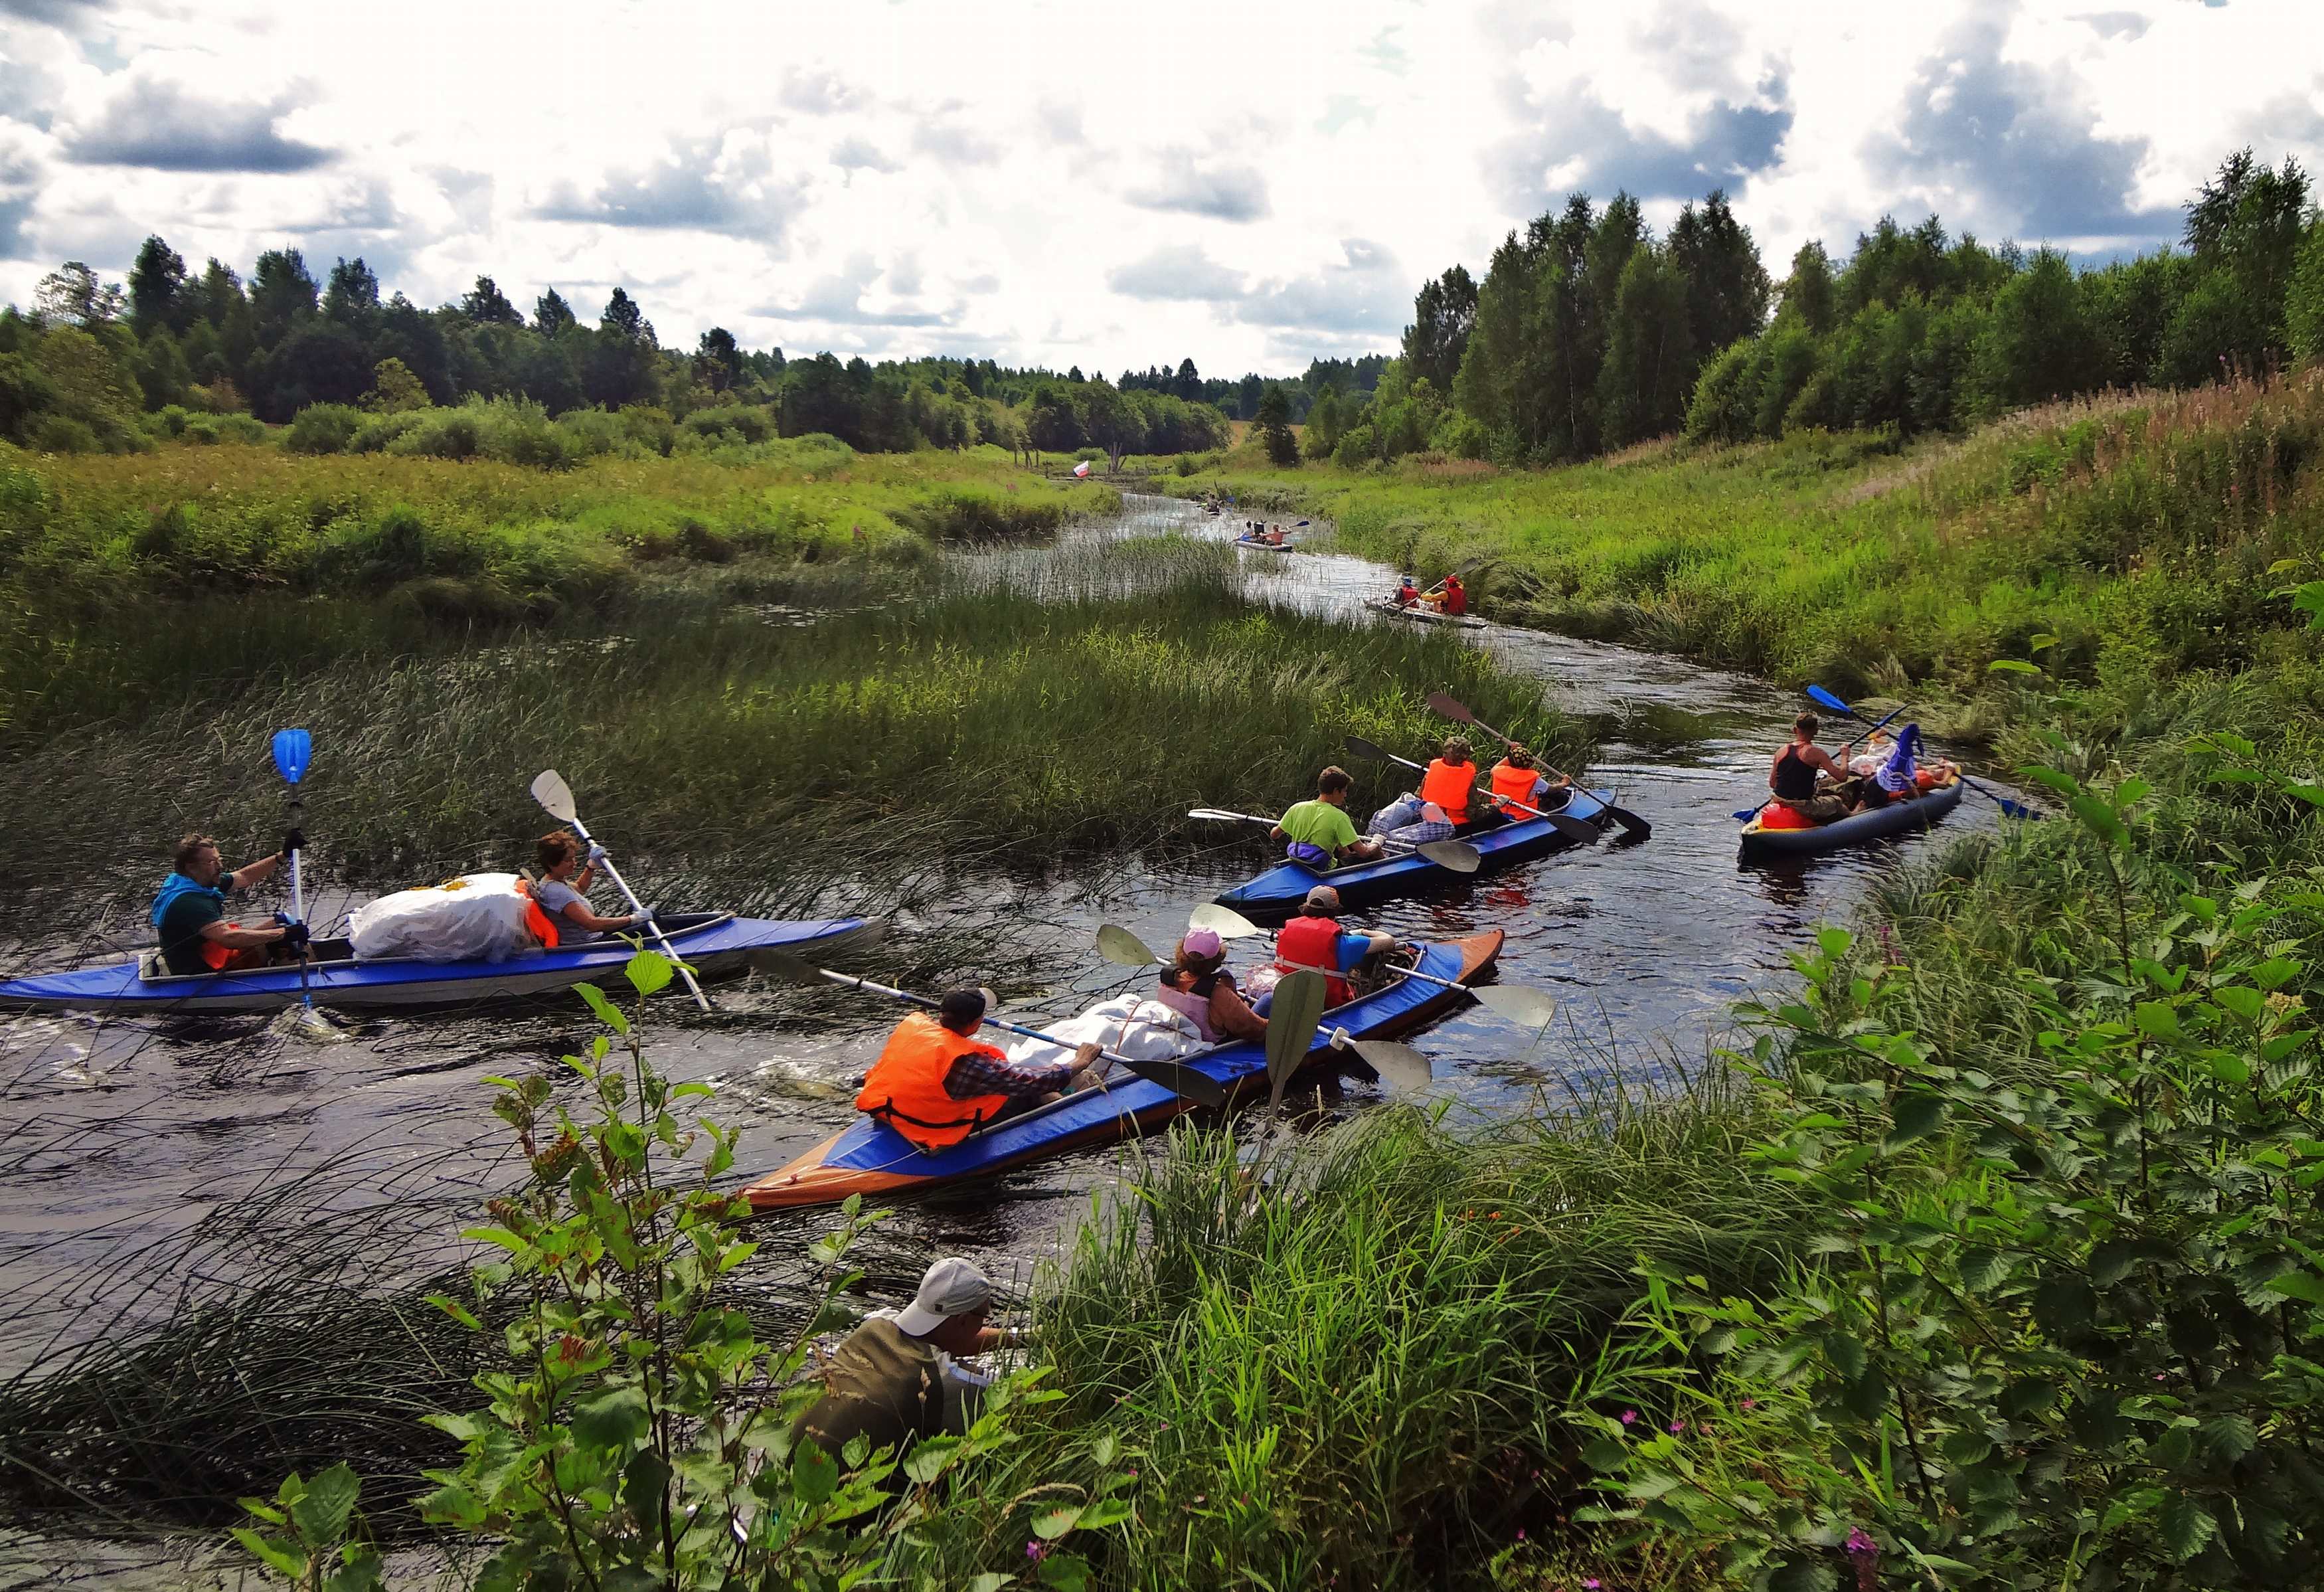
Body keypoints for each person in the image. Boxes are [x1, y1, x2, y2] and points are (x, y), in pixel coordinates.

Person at [793, 1257, 1009, 1473]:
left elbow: (950, 1340)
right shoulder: (948, 1382)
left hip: (794, 1468)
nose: (985, 1321)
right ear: (963, 1320)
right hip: (838, 1488)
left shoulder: (876, 1323)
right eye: (984, 1315)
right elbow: (1004, 1392)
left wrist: (1018, 1338)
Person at [855, 987, 1104, 1151]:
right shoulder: (968, 1064)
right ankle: (1068, 1108)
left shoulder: (914, 1031)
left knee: (1014, 1080)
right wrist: (1079, 1062)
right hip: (932, 1128)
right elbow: (1031, 1080)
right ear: (976, 1024)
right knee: (1033, 1091)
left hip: (894, 1112)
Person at [150, 832, 299, 976]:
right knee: (282, 940)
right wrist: (283, 933)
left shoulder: (196, 881)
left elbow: (244, 876)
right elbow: (228, 939)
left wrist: (282, 855)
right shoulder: (190, 901)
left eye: (219, 859)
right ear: (191, 867)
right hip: (201, 971)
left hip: (212, 951)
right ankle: (297, 978)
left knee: (280, 921)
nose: (219, 866)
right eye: (212, 862)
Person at [524, 830, 653, 946]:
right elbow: (592, 924)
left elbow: (580, 888)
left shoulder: (554, 882)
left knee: (659, 919)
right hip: (587, 943)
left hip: (594, 936)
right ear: (551, 863)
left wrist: (591, 867)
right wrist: (633, 919)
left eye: (574, 858)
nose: (574, 863)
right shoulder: (556, 891)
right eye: (568, 860)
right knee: (652, 922)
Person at [1274, 885, 1398, 1006]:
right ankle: (1378, 994)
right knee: (1374, 955)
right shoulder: (1345, 943)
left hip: (1289, 994)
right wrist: (1363, 931)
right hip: (1327, 1001)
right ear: (1335, 911)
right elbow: (1388, 941)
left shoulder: (1286, 932)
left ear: (1306, 907)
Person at [1151, 928, 1266, 1043]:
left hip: (1181, 1037)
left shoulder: (1169, 977)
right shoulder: (1219, 994)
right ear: (1218, 957)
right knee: (1268, 999)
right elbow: (1258, 1030)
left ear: (1182, 953)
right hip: (1213, 1045)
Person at [1365, 737, 1479, 847]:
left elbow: (1419, 795)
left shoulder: (1433, 770)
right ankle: (1382, 844)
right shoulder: (1467, 778)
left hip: (1428, 819)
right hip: (1448, 825)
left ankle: (1375, 842)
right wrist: (1489, 811)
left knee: (1400, 812)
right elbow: (1472, 812)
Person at [1272, 765, 1384, 866]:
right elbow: (1364, 852)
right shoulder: (1340, 817)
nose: (1345, 795)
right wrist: (1377, 842)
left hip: (1297, 862)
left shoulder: (1297, 807)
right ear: (1336, 791)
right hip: (1322, 868)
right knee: (1375, 852)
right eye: (1344, 791)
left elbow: (1274, 834)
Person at [1768, 713, 1855, 824]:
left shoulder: (1781, 751)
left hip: (1777, 800)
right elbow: (1842, 776)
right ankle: (1853, 816)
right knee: (1837, 801)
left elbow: (1772, 783)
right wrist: (1845, 756)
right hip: (1803, 806)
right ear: (1816, 731)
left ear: (1795, 730)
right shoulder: (1816, 753)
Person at [1485, 745, 1570, 821]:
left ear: (1510, 761)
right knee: (1559, 795)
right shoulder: (1534, 780)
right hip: (1522, 818)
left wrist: (1512, 753)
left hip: (1499, 812)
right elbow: (1552, 789)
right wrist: (1564, 784)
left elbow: (1499, 765)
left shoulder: (1497, 771)